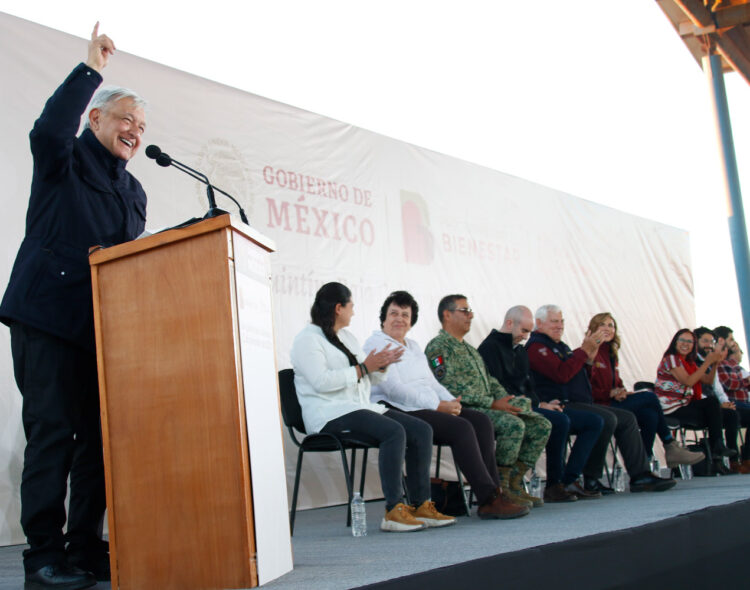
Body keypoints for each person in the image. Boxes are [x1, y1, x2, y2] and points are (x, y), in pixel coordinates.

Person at [0, 24, 148, 590]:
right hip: (47, 319)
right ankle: (42, 557)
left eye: (141, 126)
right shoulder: (64, 158)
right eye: (125, 120)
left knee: (97, 443)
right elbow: (48, 127)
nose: (134, 131)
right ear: (96, 119)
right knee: (53, 435)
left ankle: (85, 548)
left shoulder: (133, 192)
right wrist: (91, 70)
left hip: (100, 332)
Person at [290, 283, 456, 532]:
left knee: (421, 430)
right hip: (328, 414)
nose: (353, 312)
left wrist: (382, 365)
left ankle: (421, 504)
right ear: (338, 308)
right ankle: (393, 510)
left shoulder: (347, 337)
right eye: (351, 306)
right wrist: (364, 367)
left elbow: (368, 376)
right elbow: (321, 382)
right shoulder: (307, 340)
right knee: (394, 431)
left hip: (358, 407)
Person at [364, 291, 528, 519]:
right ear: (383, 318)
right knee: (461, 428)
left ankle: (495, 492)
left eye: (405, 314)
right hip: (398, 408)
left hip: (426, 405)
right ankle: (487, 498)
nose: (399, 319)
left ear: (412, 321)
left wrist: (451, 401)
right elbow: (395, 390)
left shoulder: (412, 345)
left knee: (480, 421)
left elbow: (431, 381)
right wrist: (437, 405)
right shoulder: (377, 344)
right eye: (394, 313)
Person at [527, 305, 675, 494]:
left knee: (629, 418)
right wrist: (584, 351)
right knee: (612, 415)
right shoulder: (537, 347)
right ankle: (583, 478)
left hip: (581, 402)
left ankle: (640, 475)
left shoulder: (561, 346)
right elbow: (562, 375)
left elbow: (580, 374)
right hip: (560, 403)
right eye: (554, 321)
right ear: (538, 323)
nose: (560, 326)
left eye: (562, 321)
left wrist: (590, 357)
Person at [425, 295, 551, 509]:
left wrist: (505, 399)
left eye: (470, 310)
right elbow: (450, 390)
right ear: (447, 315)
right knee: (513, 425)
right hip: (466, 410)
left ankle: (513, 481)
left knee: (541, 424)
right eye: (464, 311)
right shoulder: (439, 348)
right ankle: (500, 488)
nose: (471, 315)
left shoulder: (469, 349)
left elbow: (490, 381)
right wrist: (492, 404)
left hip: (488, 406)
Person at [478, 305, 604, 502]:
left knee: (587, 420)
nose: (526, 336)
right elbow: (496, 388)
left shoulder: (519, 349)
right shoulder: (490, 348)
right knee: (559, 421)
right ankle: (550, 484)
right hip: (506, 407)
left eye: (528, 331)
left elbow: (529, 385)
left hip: (528, 405)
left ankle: (542, 481)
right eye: (524, 331)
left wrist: (541, 403)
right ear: (510, 323)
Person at [586, 313, 703, 469]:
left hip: (614, 402)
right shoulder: (588, 352)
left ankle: (643, 465)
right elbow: (585, 390)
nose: (608, 328)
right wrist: (609, 393)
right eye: (603, 324)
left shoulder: (611, 353)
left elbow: (616, 383)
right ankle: (669, 444)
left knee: (650, 415)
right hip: (599, 405)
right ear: (593, 328)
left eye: (611, 325)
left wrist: (621, 391)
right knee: (649, 397)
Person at [653, 329, 737, 462]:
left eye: (689, 341)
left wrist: (714, 363)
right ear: (675, 342)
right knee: (712, 405)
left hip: (684, 404)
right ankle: (716, 446)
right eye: (682, 340)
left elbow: (708, 380)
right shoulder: (671, 359)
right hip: (672, 408)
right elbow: (688, 381)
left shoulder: (689, 362)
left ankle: (723, 453)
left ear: (694, 345)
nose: (685, 344)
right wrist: (707, 362)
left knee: (728, 412)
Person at [695, 327, 743, 473]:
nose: (709, 345)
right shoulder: (692, 361)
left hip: (712, 406)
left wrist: (726, 403)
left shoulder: (710, 361)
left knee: (731, 413)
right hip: (696, 404)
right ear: (696, 342)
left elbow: (717, 388)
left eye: (711, 342)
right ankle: (717, 448)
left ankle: (732, 460)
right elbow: (693, 388)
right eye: (705, 341)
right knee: (713, 403)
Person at [713, 326, 750, 471]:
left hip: (736, 403)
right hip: (731, 404)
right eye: (731, 339)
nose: (733, 343)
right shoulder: (720, 363)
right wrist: (745, 382)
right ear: (722, 341)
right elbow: (727, 383)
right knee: (732, 415)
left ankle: (745, 458)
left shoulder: (733, 365)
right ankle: (738, 459)